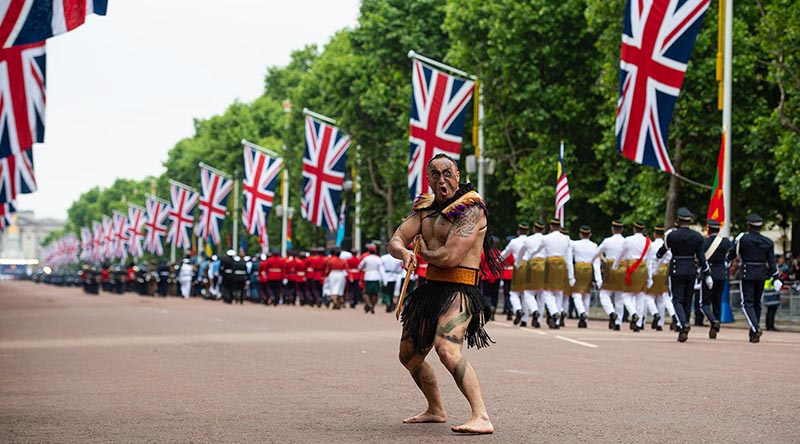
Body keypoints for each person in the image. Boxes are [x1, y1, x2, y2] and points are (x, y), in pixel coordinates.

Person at [387, 153, 502, 434]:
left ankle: (482, 416)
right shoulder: (425, 210)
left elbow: (450, 256)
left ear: (458, 176)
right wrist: (403, 253)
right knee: (409, 355)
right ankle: (436, 409)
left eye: (447, 173)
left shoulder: (471, 210)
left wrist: (421, 252)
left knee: (447, 350)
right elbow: (396, 239)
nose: (442, 180)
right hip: (431, 289)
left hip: (460, 289)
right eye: (435, 174)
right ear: (427, 179)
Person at [656, 207, 711, 342]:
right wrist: (707, 273)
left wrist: (658, 255)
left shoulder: (672, 235)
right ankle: (683, 327)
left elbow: (661, 252)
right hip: (691, 269)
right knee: (687, 300)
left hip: (676, 269)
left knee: (677, 299)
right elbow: (701, 257)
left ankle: (683, 323)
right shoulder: (697, 236)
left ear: (678, 220)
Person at [727, 213, 782, 343]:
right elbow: (772, 261)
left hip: (748, 273)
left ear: (748, 225)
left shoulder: (743, 239)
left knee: (747, 303)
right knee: (757, 303)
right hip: (762, 274)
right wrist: (776, 277)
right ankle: (753, 333)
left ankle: (756, 328)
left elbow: (732, 253)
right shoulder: (767, 241)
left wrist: (734, 244)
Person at [612, 221, 653, 332]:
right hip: (643, 268)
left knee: (626, 295)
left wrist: (615, 266)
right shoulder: (648, 242)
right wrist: (650, 278)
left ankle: (633, 313)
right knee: (641, 296)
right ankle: (639, 323)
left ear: (634, 229)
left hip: (631, 268)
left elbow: (621, 253)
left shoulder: (628, 239)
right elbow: (650, 262)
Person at [594, 220, 626, 330]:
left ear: (612, 229)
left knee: (604, 294)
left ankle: (611, 312)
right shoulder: (626, 241)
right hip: (622, 268)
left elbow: (597, 253)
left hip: (610, 267)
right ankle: (618, 323)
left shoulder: (607, 241)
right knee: (620, 297)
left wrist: (597, 259)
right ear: (622, 229)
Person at [701, 219, 730, 339]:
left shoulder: (705, 242)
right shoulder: (725, 242)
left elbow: (701, 258)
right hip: (721, 274)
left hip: (710, 273)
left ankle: (713, 320)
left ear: (709, 229)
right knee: (717, 302)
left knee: (704, 303)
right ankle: (716, 327)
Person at [569, 225, 601, 328]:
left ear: (580, 234)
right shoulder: (594, 245)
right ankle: (585, 317)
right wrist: (598, 279)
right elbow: (597, 263)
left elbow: (569, 259)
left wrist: (570, 275)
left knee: (576, 294)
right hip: (588, 269)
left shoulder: (575, 244)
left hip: (578, 268)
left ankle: (582, 312)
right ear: (590, 235)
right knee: (586, 294)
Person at [498, 223, 529, 326]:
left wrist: (496, 262)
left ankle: (518, 309)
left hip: (518, 267)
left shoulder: (514, 241)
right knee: (526, 294)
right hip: (529, 268)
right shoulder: (531, 240)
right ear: (528, 232)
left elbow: (504, 254)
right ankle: (524, 320)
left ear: (518, 232)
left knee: (514, 293)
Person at [358, 245, 384, 314]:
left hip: (368, 276)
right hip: (376, 276)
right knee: (374, 293)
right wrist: (384, 279)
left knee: (366, 292)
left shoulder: (366, 258)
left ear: (369, 251)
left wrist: (364, 269)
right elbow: (381, 270)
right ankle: (372, 307)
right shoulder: (378, 259)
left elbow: (359, 266)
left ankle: (368, 303)